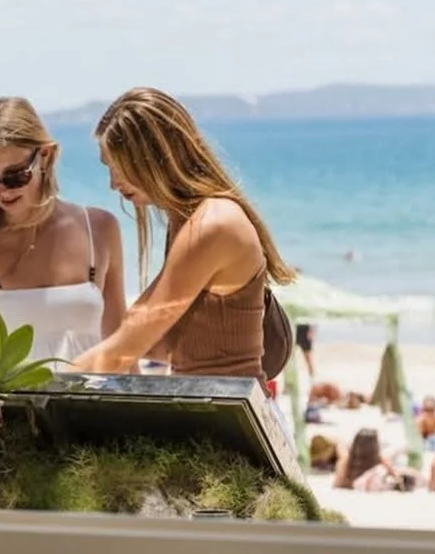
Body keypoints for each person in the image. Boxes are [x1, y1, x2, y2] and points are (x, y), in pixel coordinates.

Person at [70, 87, 295, 380]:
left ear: (154, 158)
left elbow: (128, 346)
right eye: (109, 168)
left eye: (121, 168)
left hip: (228, 416)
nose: (113, 183)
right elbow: (151, 339)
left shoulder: (212, 224)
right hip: (208, 406)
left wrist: (37, 386)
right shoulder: (186, 221)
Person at [0, 97, 126, 362]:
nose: (3, 190)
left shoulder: (100, 229)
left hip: (89, 403)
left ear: (45, 156)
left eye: (15, 175)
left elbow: (124, 352)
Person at [332, 428, 422, 492]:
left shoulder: (345, 461)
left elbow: (337, 485)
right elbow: (395, 475)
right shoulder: (380, 458)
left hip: (351, 487)